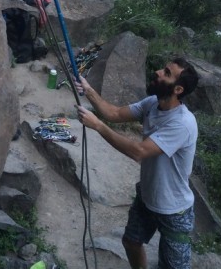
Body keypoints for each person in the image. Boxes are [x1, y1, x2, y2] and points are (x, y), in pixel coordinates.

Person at [75, 55, 199, 269]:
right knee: (131, 242)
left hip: (174, 209)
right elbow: (114, 113)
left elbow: (138, 152)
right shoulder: (153, 103)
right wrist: (88, 90)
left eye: (167, 73)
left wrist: (98, 126)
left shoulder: (183, 124)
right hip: (148, 195)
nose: (158, 72)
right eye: (163, 68)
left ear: (178, 89)